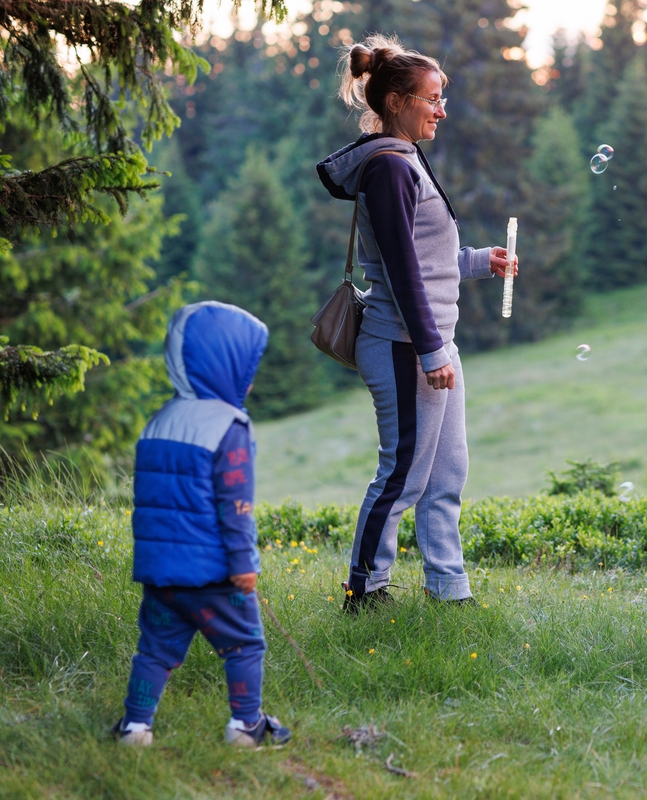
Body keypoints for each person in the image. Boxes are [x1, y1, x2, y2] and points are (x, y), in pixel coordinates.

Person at [317, 36, 514, 611]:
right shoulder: (388, 168)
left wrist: (482, 262)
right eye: (432, 98)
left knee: (446, 474)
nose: (441, 109)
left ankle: (448, 591)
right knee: (402, 475)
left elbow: (424, 261)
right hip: (405, 347)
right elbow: (403, 274)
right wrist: (431, 354)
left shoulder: (402, 159)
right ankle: (365, 591)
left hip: (429, 344)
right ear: (398, 101)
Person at [112, 301, 291, 747]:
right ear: (222, 364)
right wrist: (244, 563)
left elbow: (152, 501)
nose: (249, 379)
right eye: (246, 366)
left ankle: (135, 726)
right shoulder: (228, 427)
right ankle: (245, 725)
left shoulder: (159, 422)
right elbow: (236, 507)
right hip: (214, 573)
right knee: (245, 646)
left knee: (154, 650)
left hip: (160, 573)